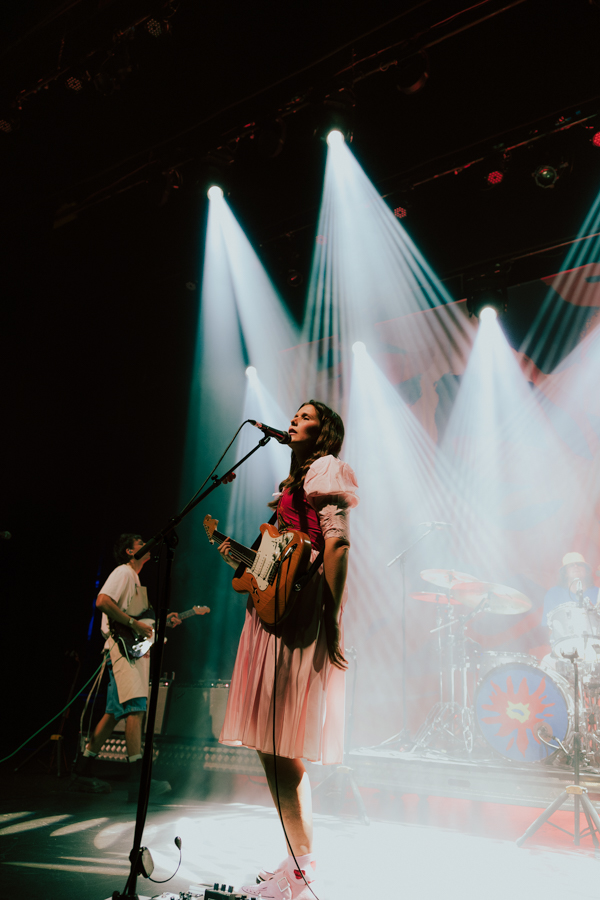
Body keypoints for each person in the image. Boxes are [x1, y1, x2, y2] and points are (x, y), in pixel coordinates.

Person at [218, 401, 359, 900]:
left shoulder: (325, 468)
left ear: (325, 432)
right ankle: (296, 857)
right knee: (270, 747)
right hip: (274, 614)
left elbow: (337, 544)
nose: (295, 420)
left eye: (306, 416)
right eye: (295, 415)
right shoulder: (296, 482)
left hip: (299, 617)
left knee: (282, 749)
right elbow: (278, 558)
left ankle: (302, 870)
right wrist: (246, 567)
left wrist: (332, 618)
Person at [74, 533, 181, 798]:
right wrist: (134, 624)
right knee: (136, 708)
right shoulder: (123, 572)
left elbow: (136, 618)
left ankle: (82, 770)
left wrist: (159, 621)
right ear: (129, 552)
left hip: (124, 650)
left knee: (114, 712)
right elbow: (102, 601)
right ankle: (137, 781)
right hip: (122, 651)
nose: (146, 545)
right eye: (140, 543)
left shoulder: (134, 578)